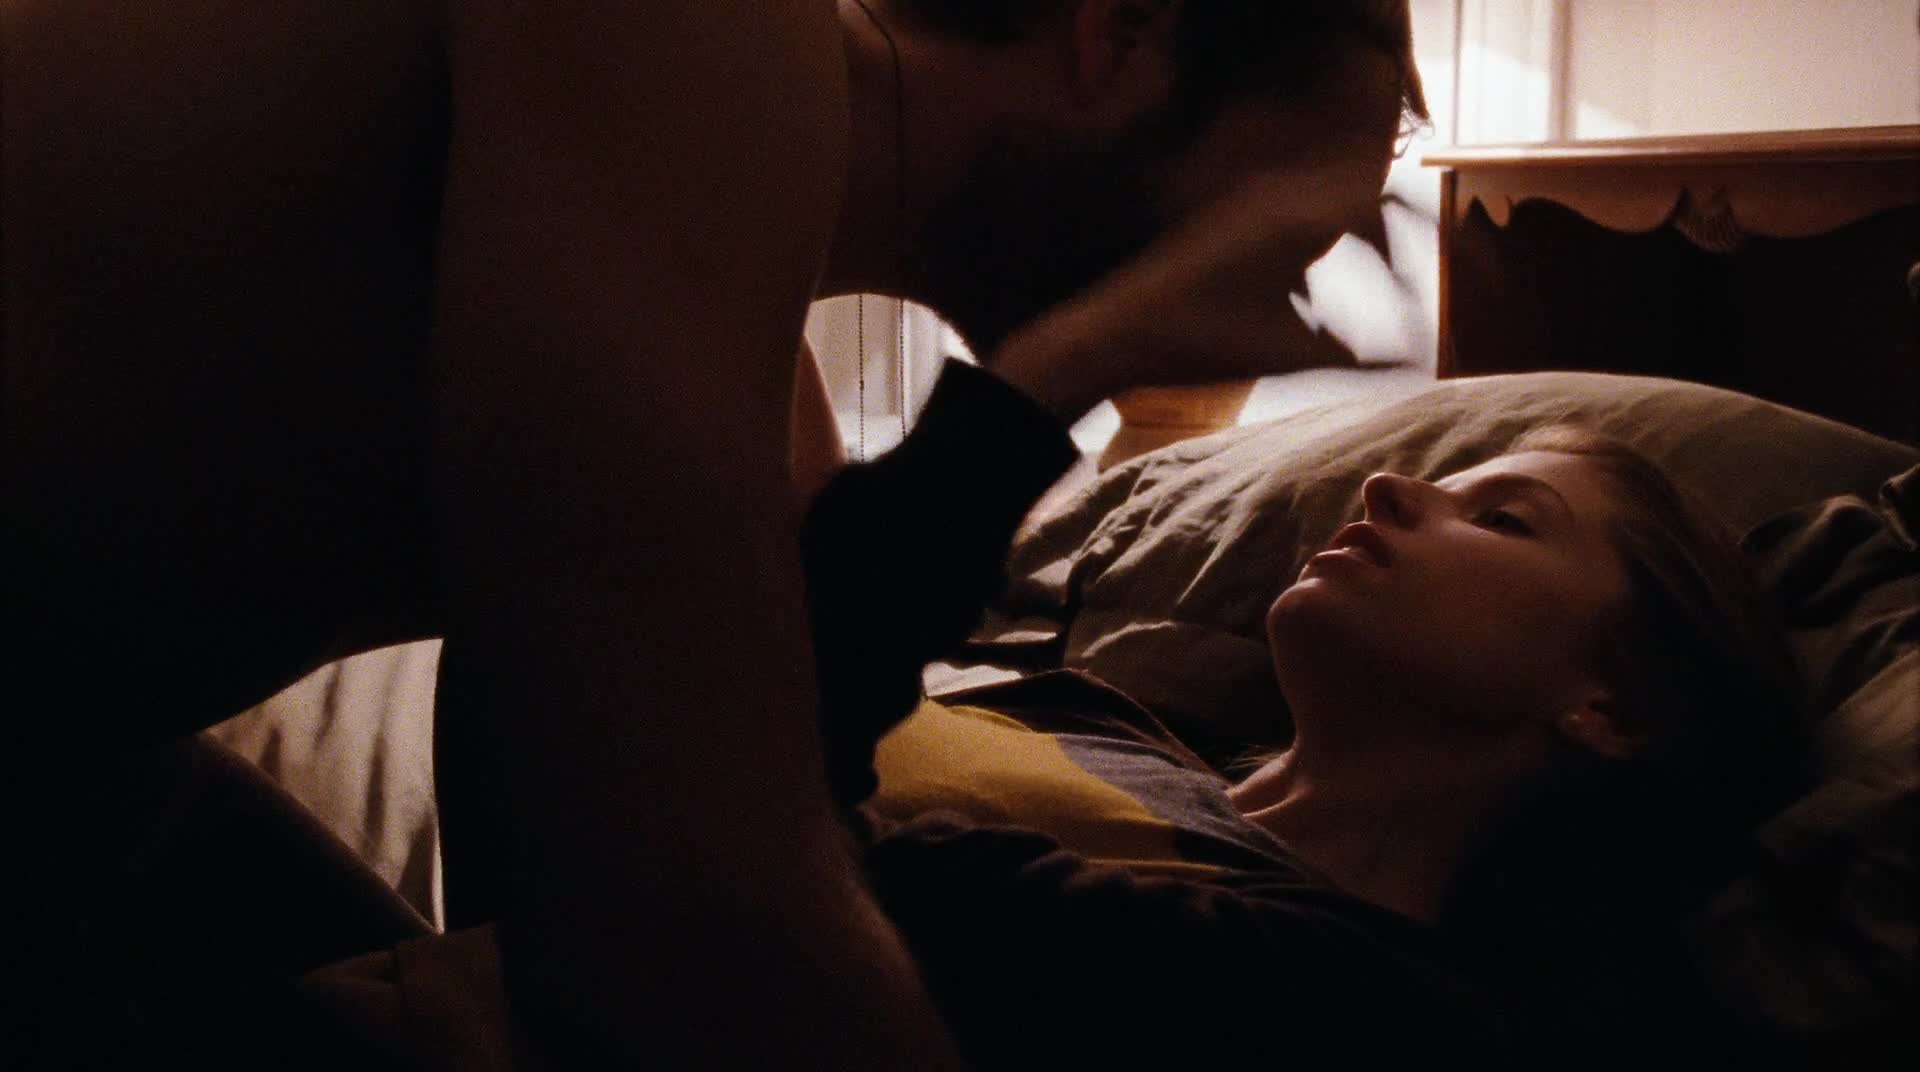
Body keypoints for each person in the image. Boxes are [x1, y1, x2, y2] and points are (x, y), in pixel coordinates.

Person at [3, 0, 1427, 1066]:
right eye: (1298, 207)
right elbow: (687, 921)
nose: (1298, 277)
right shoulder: (699, 33)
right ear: (1122, 31)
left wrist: (1063, 368)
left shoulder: (735, 384)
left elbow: (712, 797)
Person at [813, 425, 1809, 1068]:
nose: (1387, 487)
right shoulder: (1102, 714)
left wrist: (1057, 368)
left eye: (1502, 519)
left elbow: (802, 863)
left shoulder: (1364, 999)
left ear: (1614, 708)